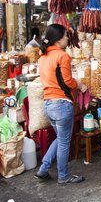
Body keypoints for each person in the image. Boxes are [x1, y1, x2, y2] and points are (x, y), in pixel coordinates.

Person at [34, 24, 87, 184]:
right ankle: (63, 176)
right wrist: (79, 85)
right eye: (65, 36)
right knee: (64, 141)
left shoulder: (43, 56)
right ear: (57, 39)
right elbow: (67, 81)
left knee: (60, 138)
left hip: (49, 104)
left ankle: (43, 169)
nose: (67, 39)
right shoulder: (62, 56)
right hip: (62, 104)